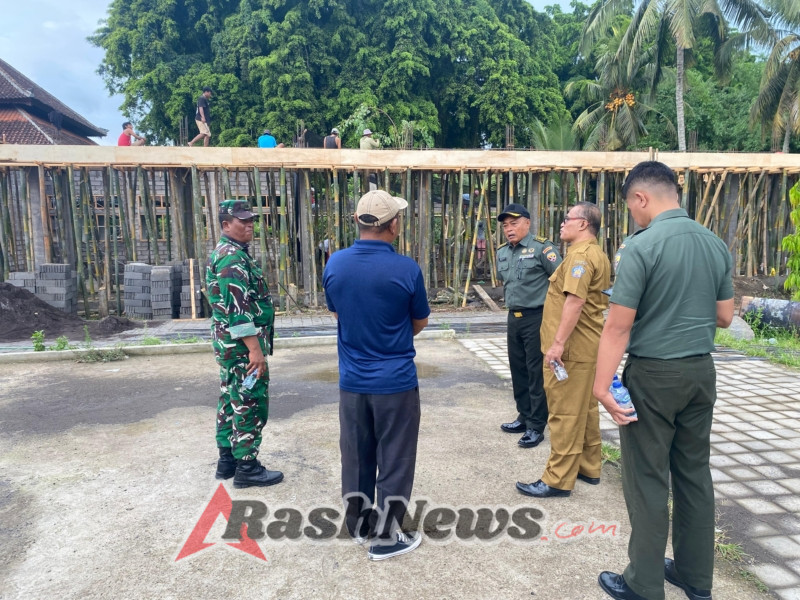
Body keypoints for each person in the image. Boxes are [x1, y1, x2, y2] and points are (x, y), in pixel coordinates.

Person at [592, 161, 733, 600]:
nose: (634, 215)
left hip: (653, 375)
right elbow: (725, 317)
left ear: (641, 198)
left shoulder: (642, 245)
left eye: (632, 207)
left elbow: (618, 326)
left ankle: (644, 584)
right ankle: (695, 578)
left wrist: (601, 386)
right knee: (694, 475)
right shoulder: (714, 243)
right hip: (700, 373)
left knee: (648, 479)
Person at [322, 190, 430, 561]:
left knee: (356, 455)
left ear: (357, 222)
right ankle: (385, 537)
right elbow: (420, 322)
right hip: (395, 382)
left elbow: (338, 314)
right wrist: (391, 337)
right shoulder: (406, 269)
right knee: (395, 457)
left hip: (352, 382)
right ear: (393, 225)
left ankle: (359, 524)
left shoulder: (335, 264)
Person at [516, 202, 610, 499]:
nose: (562, 223)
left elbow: (575, 302)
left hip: (571, 349)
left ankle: (557, 479)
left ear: (583, 224)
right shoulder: (597, 253)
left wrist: (557, 344)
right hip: (587, 346)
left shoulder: (580, 257)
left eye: (567, 218)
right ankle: (588, 466)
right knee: (586, 409)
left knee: (565, 413)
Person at [206, 199, 283, 489]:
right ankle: (247, 467)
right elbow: (237, 310)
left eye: (251, 220)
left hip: (230, 346)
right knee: (249, 402)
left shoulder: (231, 252)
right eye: (242, 221)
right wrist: (255, 350)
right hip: (241, 348)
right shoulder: (231, 258)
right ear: (226, 225)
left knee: (230, 399)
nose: (249, 225)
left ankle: (228, 460)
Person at [496, 203, 562, 448]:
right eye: (505, 226)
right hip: (514, 317)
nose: (509, 229)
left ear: (527, 223)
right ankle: (523, 416)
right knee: (518, 369)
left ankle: (536, 425)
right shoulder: (503, 252)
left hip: (538, 317)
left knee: (536, 373)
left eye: (514, 224)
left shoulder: (543, 249)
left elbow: (561, 280)